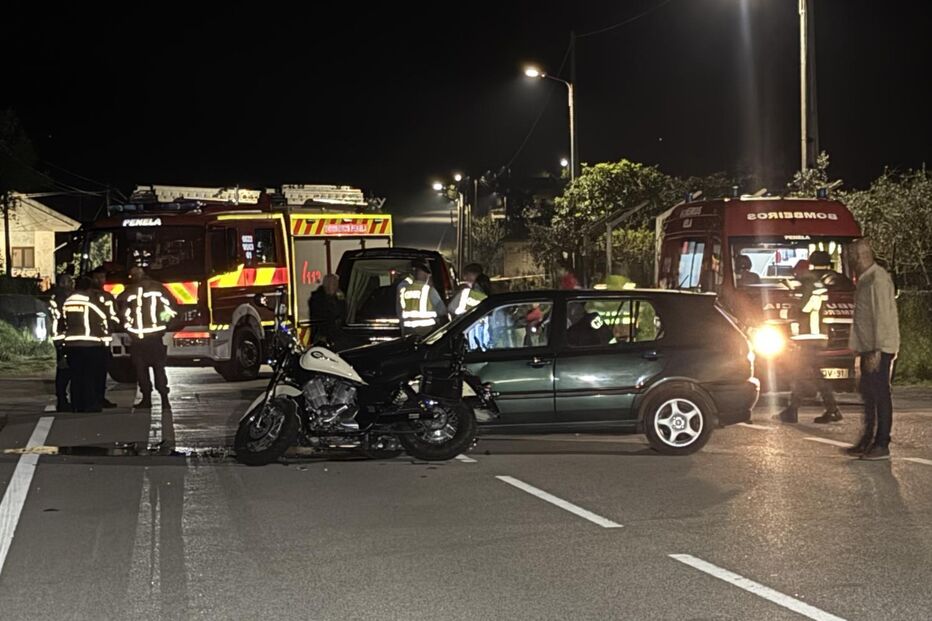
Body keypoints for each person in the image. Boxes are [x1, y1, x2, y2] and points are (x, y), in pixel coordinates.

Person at [847, 239, 900, 460]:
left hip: (878, 348)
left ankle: (881, 443)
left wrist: (877, 351)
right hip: (869, 347)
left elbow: (882, 317)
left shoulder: (877, 279)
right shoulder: (866, 279)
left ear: (860, 256)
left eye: (851, 255)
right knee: (868, 394)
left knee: (879, 395)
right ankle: (868, 440)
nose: (849, 260)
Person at [775, 259, 843, 424]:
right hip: (817, 337)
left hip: (809, 338)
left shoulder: (808, 285)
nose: (795, 276)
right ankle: (829, 409)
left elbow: (803, 309)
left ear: (802, 272)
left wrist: (791, 306)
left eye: (797, 273)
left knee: (800, 373)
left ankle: (795, 410)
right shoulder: (817, 285)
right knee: (812, 374)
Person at [118, 266, 177, 410]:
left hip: (138, 338)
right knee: (158, 369)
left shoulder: (129, 291)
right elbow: (171, 308)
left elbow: (121, 311)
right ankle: (164, 400)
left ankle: (147, 399)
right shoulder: (158, 288)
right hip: (154, 337)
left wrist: (128, 326)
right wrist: (163, 323)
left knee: (141, 370)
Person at [60, 277, 119, 412]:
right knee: (90, 376)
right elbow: (104, 318)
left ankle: (76, 404)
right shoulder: (91, 301)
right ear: (89, 288)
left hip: (71, 344)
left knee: (76, 376)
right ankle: (90, 404)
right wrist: (106, 336)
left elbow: (64, 320)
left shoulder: (68, 301)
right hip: (91, 343)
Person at [89, 266, 119, 408]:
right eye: (98, 277)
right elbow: (115, 317)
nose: (100, 280)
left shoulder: (105, 297)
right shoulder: (106, 297)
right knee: (98, 371)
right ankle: (97, 397)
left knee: (96, 371)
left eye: (102, 277)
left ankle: (95, 397)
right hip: (99, 340)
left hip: (95, 340)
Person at [397, 261, 446, 337]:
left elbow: (399, 311)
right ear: (426, 276)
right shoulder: (429, 290)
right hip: (427, 332)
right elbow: (442, 310)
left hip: (409, 331)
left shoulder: (404, 290)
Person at [48, 274, 74, 412]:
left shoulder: (58, 296)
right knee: (64, 369)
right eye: (68, 281)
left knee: (65, 369)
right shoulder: (60, 298)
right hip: (62, 337)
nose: (70, 284)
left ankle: (63, 399)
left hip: (61, 336)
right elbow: (62, 318)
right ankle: (62, 400)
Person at [308, 274, 347, 347]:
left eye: (336, 284)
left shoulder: (336, 298)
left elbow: (343, 314)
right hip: (323, 336)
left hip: (336, 335)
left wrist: (342, 300)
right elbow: (323, 318)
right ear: (327, 285)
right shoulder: (318, 299)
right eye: (334, 284)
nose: (336, 287)